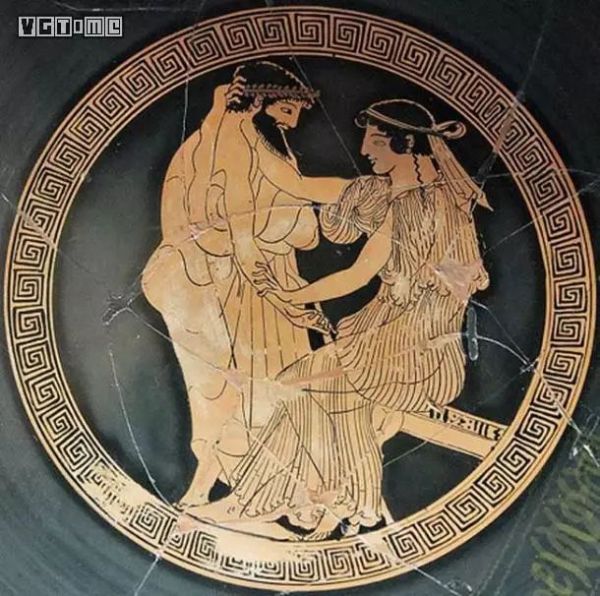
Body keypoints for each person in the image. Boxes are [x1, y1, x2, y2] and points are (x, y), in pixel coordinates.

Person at [189, 99, 491, 540]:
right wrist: (244, 126)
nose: (364, 150)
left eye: (375, 142)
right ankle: (317, 502)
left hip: (415, 347)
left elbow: (423, 280)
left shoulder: (436, 204)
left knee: (308, 385)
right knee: (307, 385)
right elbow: (298, 187)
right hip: (383, 335)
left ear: (406, 143)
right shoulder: (384, 194)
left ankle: (317, 503)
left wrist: (421, 291)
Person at [142, 62, 348, 508]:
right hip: (248, 292)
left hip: (262, 283)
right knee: (253, 390)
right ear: (258, 102)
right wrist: (287, 302)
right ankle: (228, 490)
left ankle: (260, 491)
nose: (296, 119)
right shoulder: (232, 146)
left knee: (268, 390)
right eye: (288, 107)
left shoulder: (251, 142)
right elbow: (242, 238)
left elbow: (296, 194)